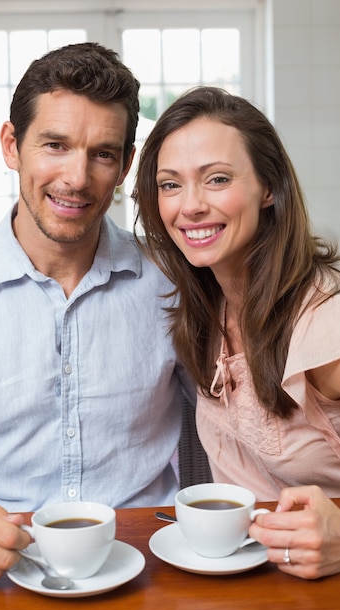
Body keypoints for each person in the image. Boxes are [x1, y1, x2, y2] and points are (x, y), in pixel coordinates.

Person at [0, 42, 193, 589]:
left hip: (152, 562)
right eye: (55, 145)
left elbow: (248, 427)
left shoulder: (178, 284)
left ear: (125, 166)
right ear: (11, 145)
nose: (76, 177)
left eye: (102, 153)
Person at [134, 85, 340, 579]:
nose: (191, 206)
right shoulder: (205, 308)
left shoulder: (325, 325)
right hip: (251, 581)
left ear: (269, 188)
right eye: (170, 184)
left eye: (218, 178)